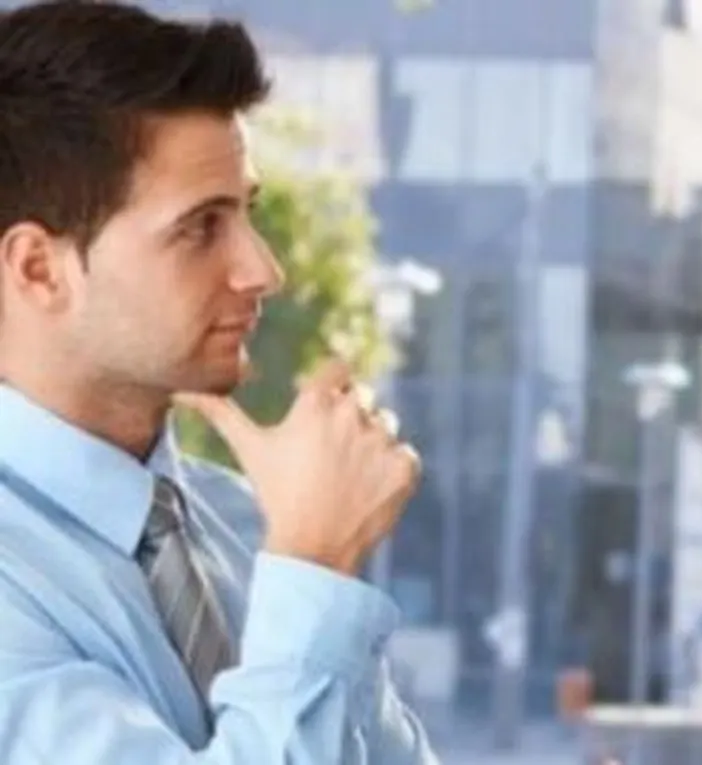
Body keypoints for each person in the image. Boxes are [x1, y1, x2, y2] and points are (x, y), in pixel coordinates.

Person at [0, 1, 438, 762]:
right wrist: (314, 562)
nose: (263, 270)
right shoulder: (298, 557)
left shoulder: (246, 520)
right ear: (39, 269)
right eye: (202, 226)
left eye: (247, 213)